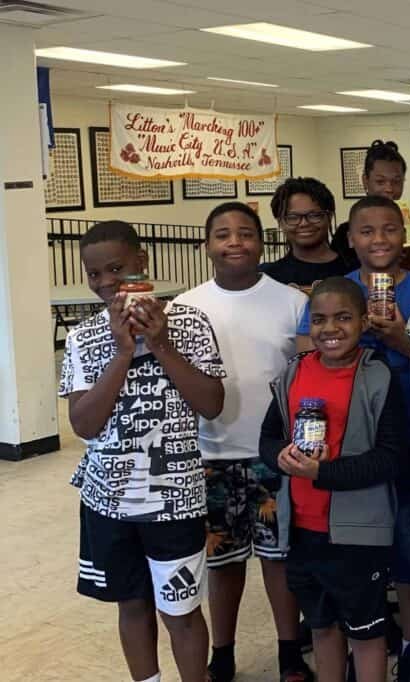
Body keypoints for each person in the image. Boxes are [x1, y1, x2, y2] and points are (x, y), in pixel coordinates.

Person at [59, 220, 226, 682]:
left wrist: (159, 342)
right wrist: (121, 352)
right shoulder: (83, 337)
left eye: (116, 267)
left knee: (182, 610)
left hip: (174, 500)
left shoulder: (189, 322)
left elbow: (211, 404)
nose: (106, 281)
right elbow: (83, 424)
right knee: (131, 604)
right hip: (108, 501)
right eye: (94, 274)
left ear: (142, 261)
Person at [174, 203, 313, 682]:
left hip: (275, 454)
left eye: (246, 233)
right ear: (207, 245)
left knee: (279, 561)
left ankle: (289, 650)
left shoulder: (292, 303)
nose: (235, 242)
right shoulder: (184, 307)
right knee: (223, 563)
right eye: (222, 234)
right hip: (210, 453)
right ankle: (224, 652)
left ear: (262, 241)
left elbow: (306, 378)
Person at [258, 276, 409, 682]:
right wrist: (282, 457)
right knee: (322, 627)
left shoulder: (378, 377)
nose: (330, 329)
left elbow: (390, 458)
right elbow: (268, 438)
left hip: (358, 535)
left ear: (363, 321)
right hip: (302, 530)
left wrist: (323, 473)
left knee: (366, 633)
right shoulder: (294, 373)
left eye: (343, 317)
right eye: (320, 319)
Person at [344, 196, 410, 682]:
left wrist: (402, 339)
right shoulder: (337, 291)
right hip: (352, 435)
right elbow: (306, 351)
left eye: (389, 230)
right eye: (366, 231)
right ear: (350, 238)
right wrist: (351, 333)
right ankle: (363, 635)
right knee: (360, 538)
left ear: (404, 238)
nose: (378, 240)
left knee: (408, 532)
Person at [330, 140, 410, 270]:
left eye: (396, 181)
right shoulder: (344, 233)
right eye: (380, 181)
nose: (389, 188)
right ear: (365, 181)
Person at [262, 177, 352, 290]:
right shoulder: (269, 277)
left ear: (329, 217)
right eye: (293, 217)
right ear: (280, 222)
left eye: (314, 215)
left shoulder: (353, 270)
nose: (304, 223)